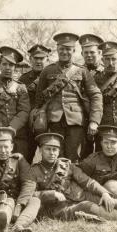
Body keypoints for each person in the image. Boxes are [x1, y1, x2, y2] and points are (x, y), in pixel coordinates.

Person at [35, 33, 103, 162]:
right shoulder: (47, 71)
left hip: (76, 122)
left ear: (74, 50)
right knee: (54, 158)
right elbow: (39, 99)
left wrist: (94, 121)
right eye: (61, 49)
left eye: (68, 49)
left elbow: (96, 95)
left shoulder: (82, 71)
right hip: (53, 121)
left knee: (74, 158)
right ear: (57, 49)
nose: (64, 52)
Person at [27, 133, 117, 221]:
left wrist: (105, 193)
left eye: (55, 149)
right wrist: (51, 194)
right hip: (61, 208)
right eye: (48, 149)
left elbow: (88, 182)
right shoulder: (33, 171)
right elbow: (30, 195)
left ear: (58, 151)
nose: (52, 153)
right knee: (87, 207)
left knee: (110, 202)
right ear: (40, 150)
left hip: (80, 196)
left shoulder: (67, 165)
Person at [0, 127, 40, 232]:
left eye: (6, 147)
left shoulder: (19, 160)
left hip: (18, 201)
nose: (3, 151)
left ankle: (18, 227)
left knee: (35, 201)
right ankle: (1, 226)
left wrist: (20, 204)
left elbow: (29, 182)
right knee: (5, 207)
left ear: (11, 147)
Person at [0, 46, 31, 159]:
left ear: (15, 67)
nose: (8, 68)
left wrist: (11, 129)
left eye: (11, 65)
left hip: (17, 135)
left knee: (19, 166)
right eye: (5, 64)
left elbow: (24, 111)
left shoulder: (21, 87)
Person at [19, 44, 51, 162]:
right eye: (35, 58)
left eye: (41, 58)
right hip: (29, 124)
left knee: (50, 157)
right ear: (30, 59)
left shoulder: (53, 77)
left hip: (49, 122)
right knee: (26, 157)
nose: (38, 61)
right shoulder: (23, 79)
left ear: (47, 59)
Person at [79, 125, 117, 198]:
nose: (109, 146)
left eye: (113, 143)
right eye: (106, 142)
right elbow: (78, 174)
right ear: (101, 143)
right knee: (111, 185)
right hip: (101, 199)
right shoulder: (93, 159)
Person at [78, 34, 104, 157]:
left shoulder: (107, 73)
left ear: (99, 53)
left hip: (102, 120)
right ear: (82, 53)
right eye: (86, 52)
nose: (89, 55)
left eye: (92, 52)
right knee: (83, 156)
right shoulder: (76, 72)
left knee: (102, 153)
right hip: (81, 120)